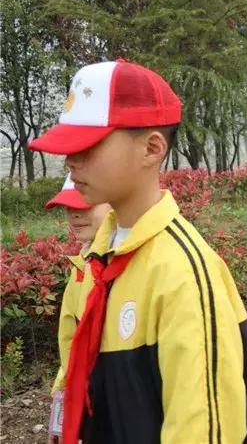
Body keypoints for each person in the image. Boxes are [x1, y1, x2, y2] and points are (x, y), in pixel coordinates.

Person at [28, 60, 247, 444]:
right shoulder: (102, 259)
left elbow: (201, 430)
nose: (71, 161)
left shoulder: (181, 271)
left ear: (152, 148)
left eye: (86, 145)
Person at [46, 174, 111, 443]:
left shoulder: (118, 266)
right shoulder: (82, 265)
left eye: (85, 206)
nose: (74, 215)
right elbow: (71, 345)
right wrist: (61, 407)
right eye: (68, 207)